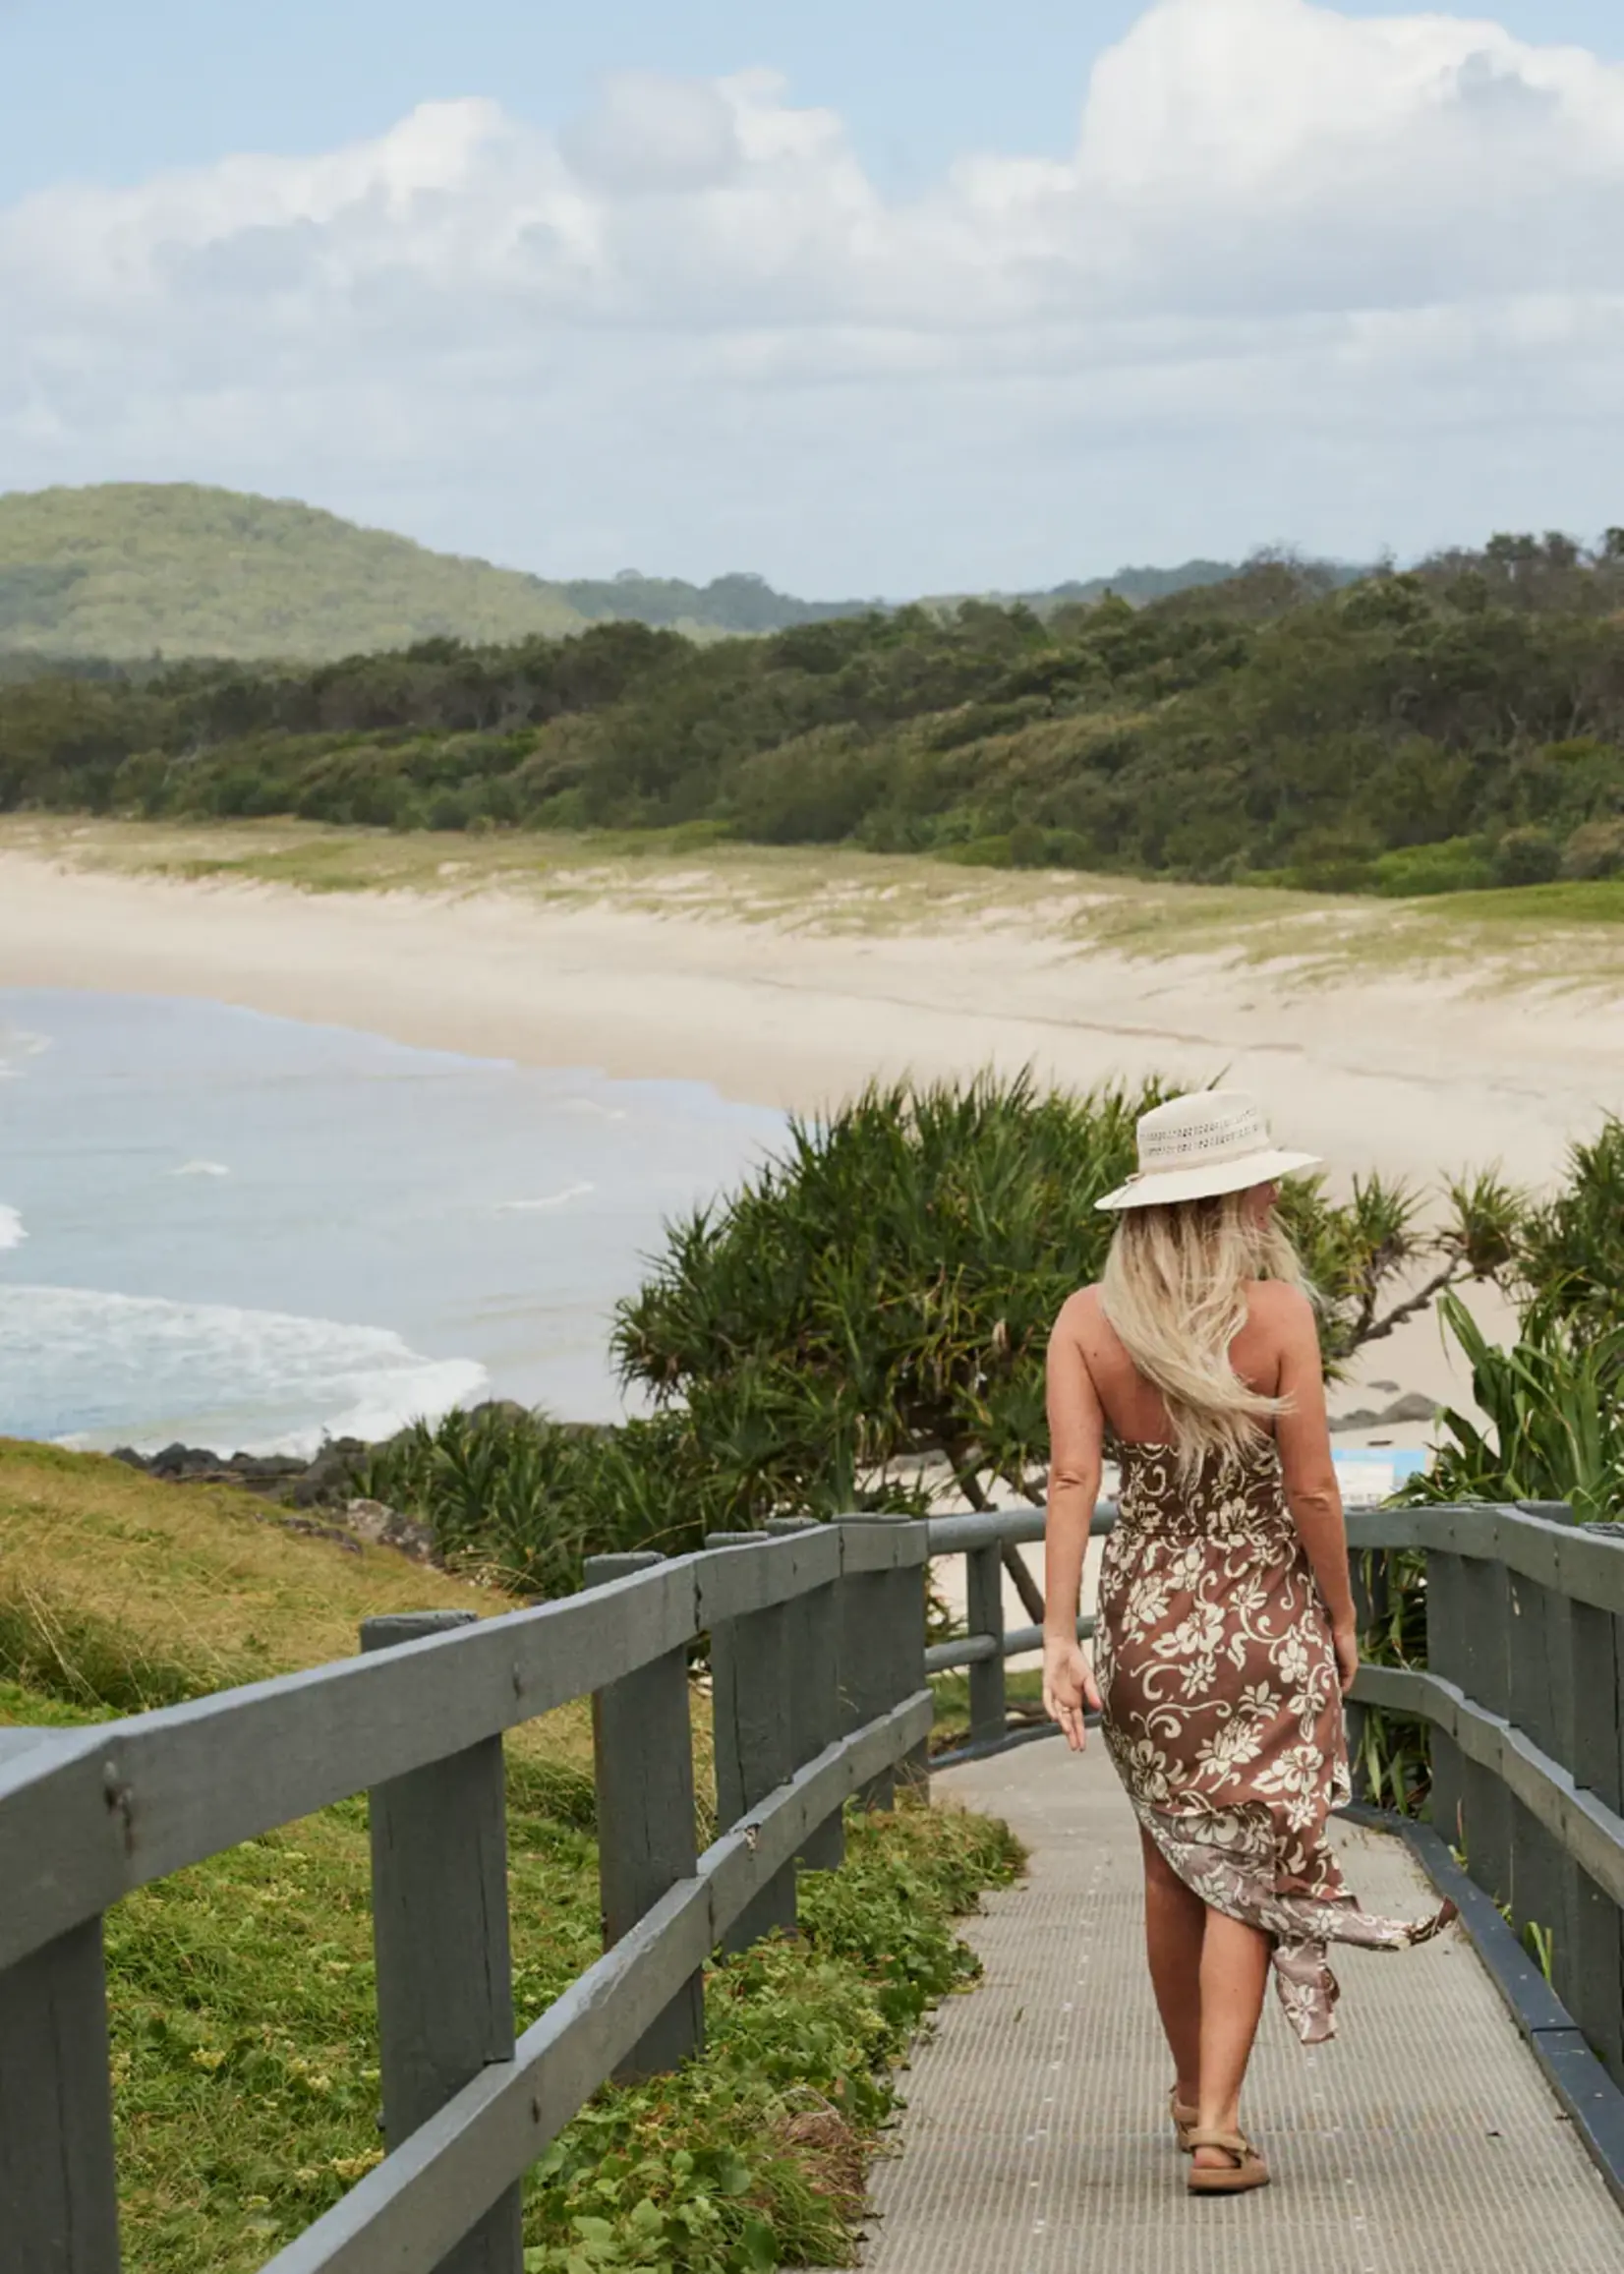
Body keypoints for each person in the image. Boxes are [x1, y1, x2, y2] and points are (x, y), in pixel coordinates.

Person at [1041, 1090, 1454, 2197]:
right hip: (1264, 1622)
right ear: (1227, 1202)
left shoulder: (1087, 1319)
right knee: (1249, 1868)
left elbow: (1074, 1479)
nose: (1275, 1193)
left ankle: (1190, 2099)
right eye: (1259, 1180)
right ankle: (1218, 2123)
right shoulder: (1275, 1315)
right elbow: (1310, 1483)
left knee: (1174, 1868)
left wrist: (1056, 1636)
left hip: (1150, 1632)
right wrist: (1340, 1610)